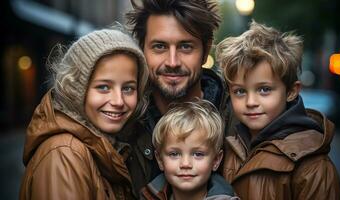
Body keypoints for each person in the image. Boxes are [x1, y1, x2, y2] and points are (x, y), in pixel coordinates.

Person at [215, 21, 340, 199]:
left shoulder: (312, 166)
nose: (251, 102)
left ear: (291, 91)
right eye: (240, 91)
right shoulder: (226, 148)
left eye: (264, 89)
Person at [19, 27, 149, 199]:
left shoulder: (106, 144)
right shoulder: (65, 154)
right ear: (76, 89)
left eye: (128, 88)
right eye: (103, 87)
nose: (118, 101)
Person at [125, 0, 237, 195]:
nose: (172, 62)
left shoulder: (242, 122)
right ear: (142, 50)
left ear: (205, 50)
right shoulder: (123, 124)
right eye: (159, 46)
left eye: (185, 47)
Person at [141, 100, 239, 200]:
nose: (185, 164)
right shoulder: (149, 196)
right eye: (174, 154)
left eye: (198, 154)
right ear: (160, 160)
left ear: (216, 160)